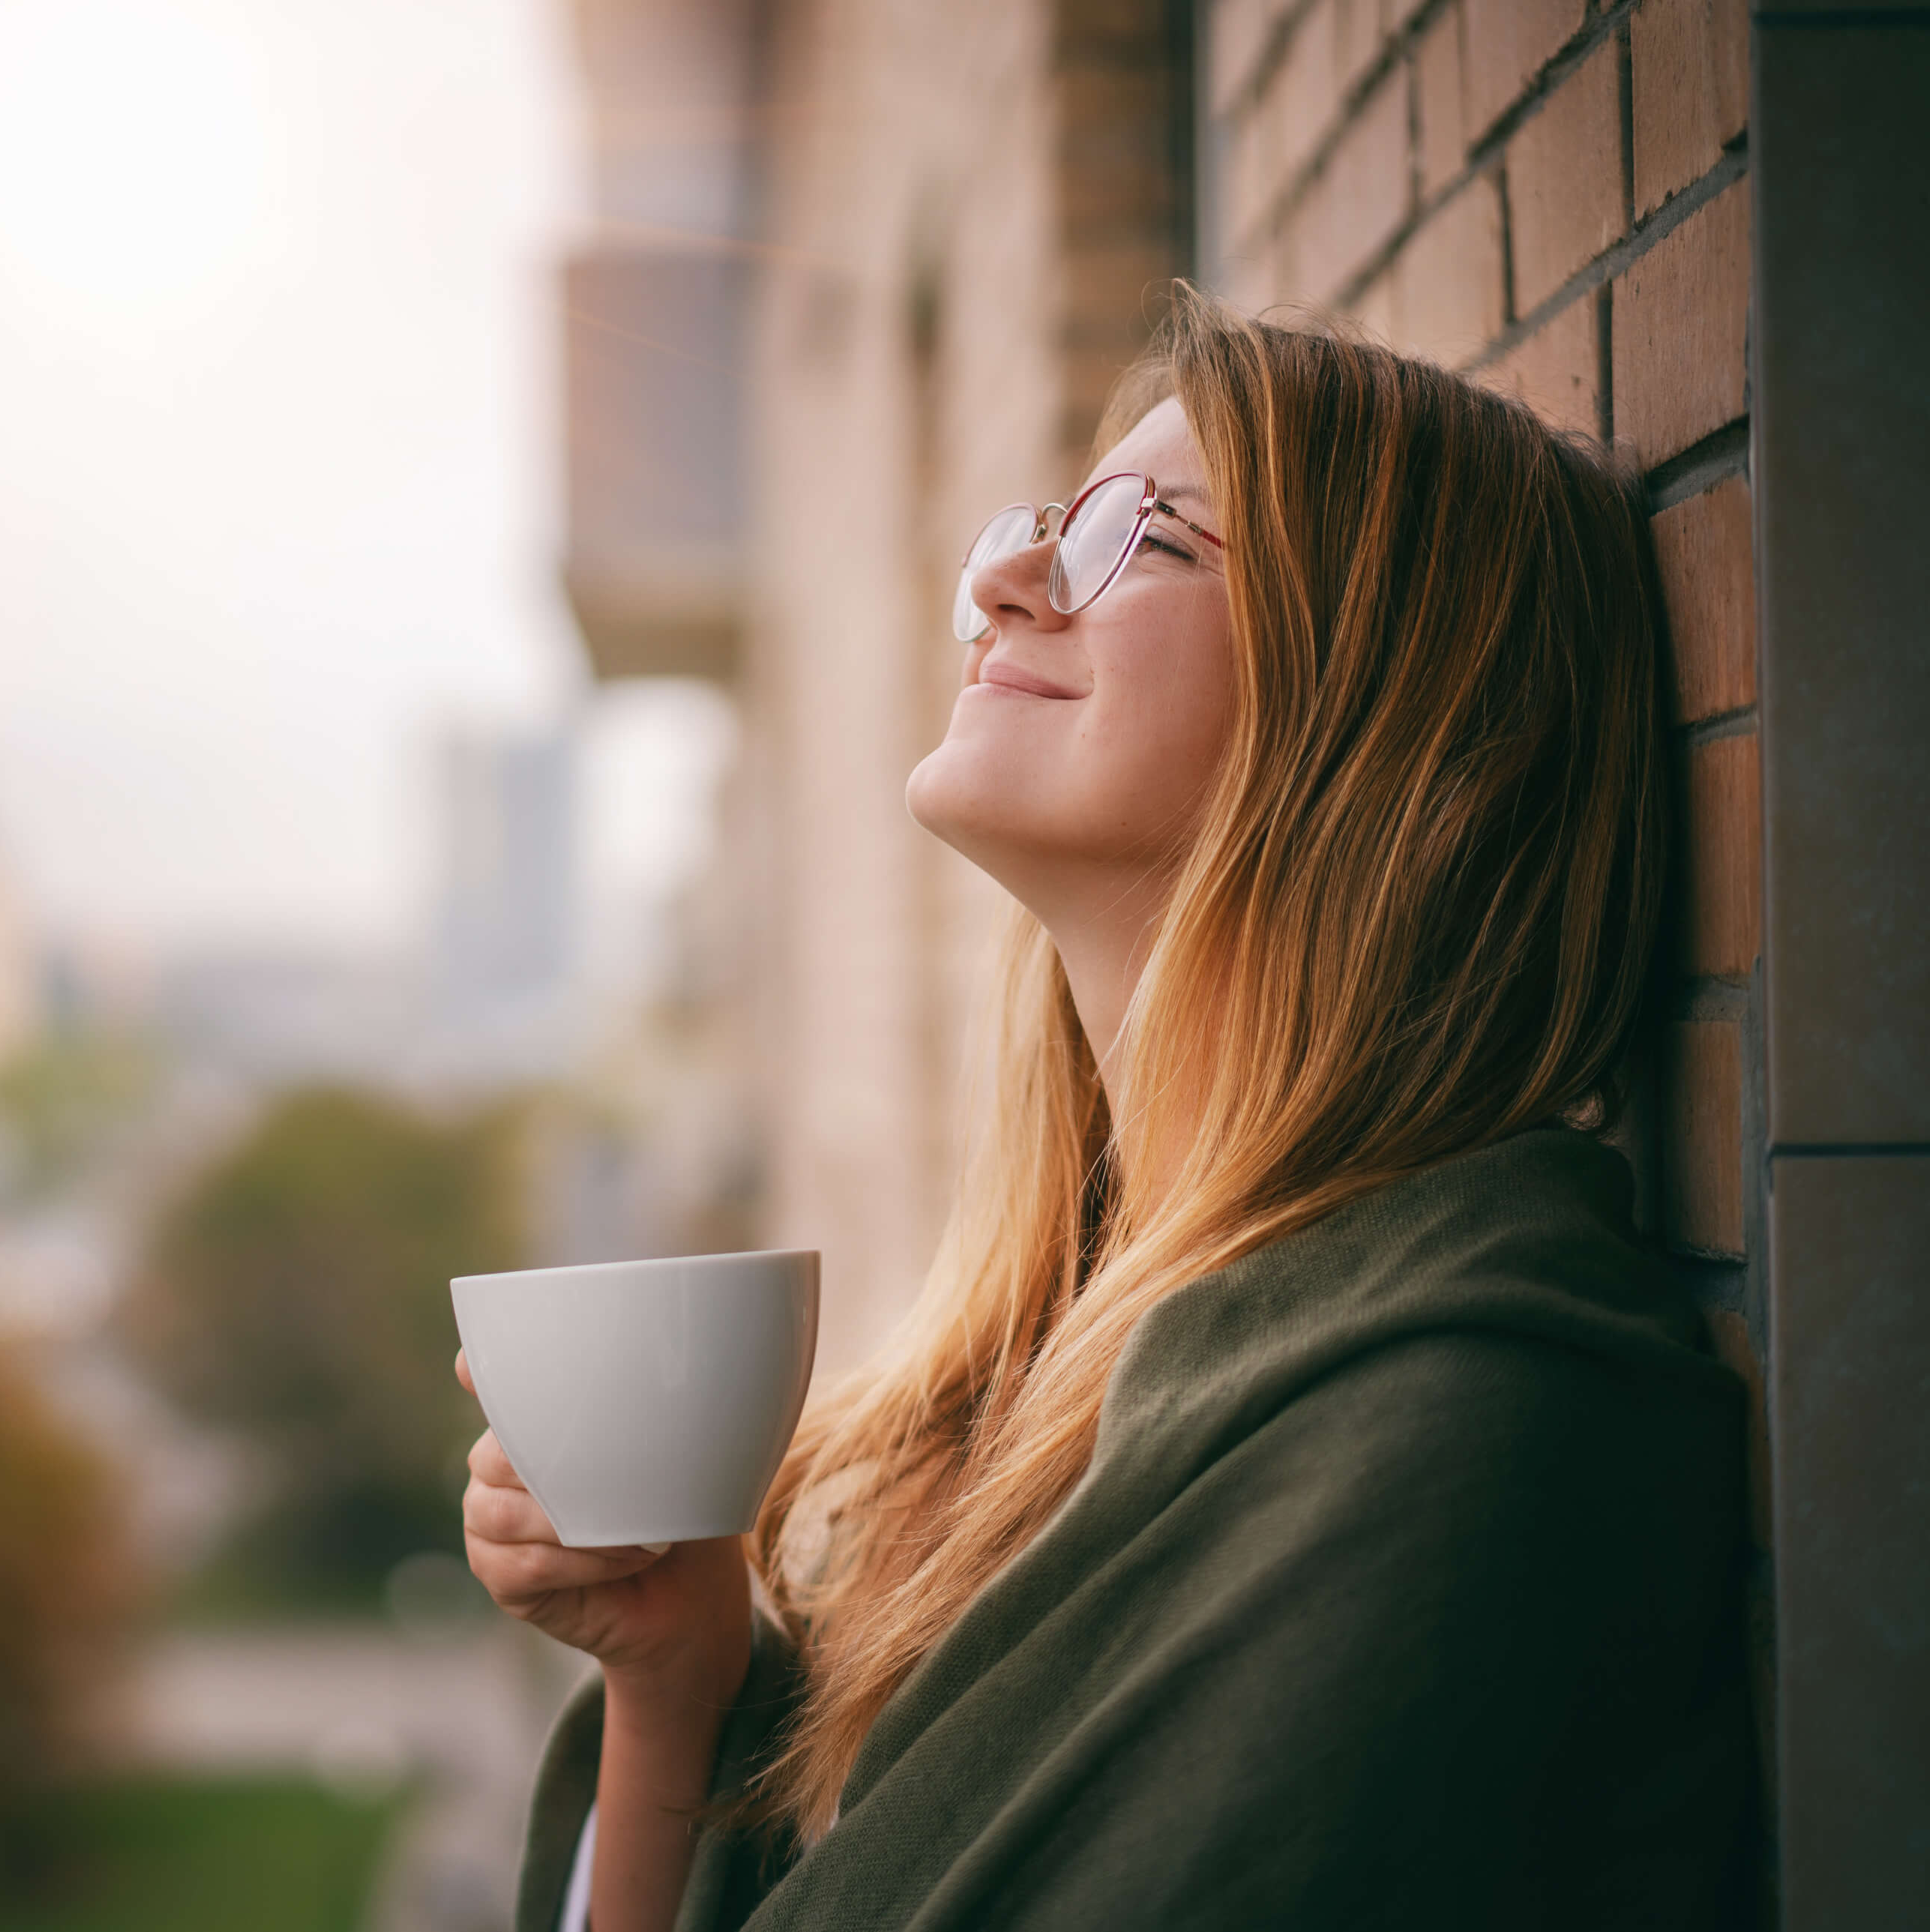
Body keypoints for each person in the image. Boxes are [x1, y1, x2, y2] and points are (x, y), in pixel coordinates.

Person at [457, 289, 1757, 1931]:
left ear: (1382, 715)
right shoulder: (1033, 1364)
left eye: (1143, 541)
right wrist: (680, 1680)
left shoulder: (1457, 1423)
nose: (1000, 584)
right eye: (1044, 526)